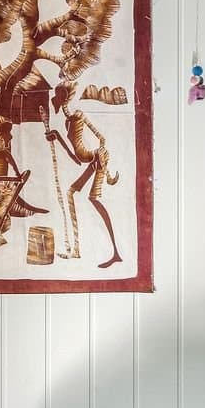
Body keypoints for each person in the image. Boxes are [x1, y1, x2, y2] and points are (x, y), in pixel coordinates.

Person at [45, 83, 124, 269]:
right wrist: (56, 136)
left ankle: (116, 252)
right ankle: (76, 250)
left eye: (61, 96)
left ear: (65, 98)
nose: (58, 101)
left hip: (97, 157)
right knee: (70, 193)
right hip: (91, 159)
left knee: (93, 199)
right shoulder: (69, 120)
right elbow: (76, 156)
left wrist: (103, 165)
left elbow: (102, 138)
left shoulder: (78, 115)